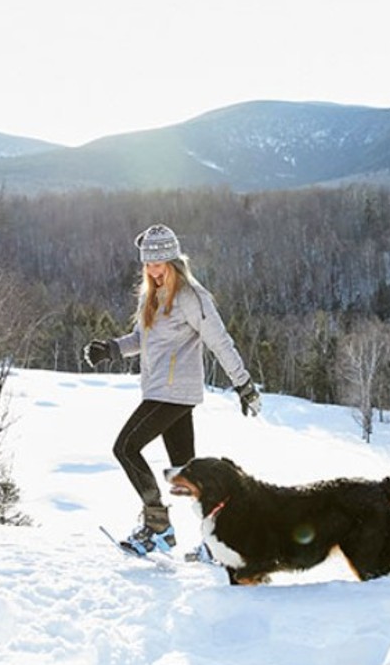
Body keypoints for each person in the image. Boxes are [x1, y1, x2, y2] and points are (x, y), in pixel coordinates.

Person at [83, 224, 261, 557]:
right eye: (148, 264)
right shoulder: (152, 295)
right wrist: (110, 349)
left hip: (173, 391)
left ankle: (157, 527)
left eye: (159, 263)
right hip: (159, 389)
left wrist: (243, 383)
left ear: (174, 261)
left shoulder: (191, 297)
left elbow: (219, 341)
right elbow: (141, 340)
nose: (153, 270)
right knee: (186, 469)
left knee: (125, 448)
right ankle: (219, 539)